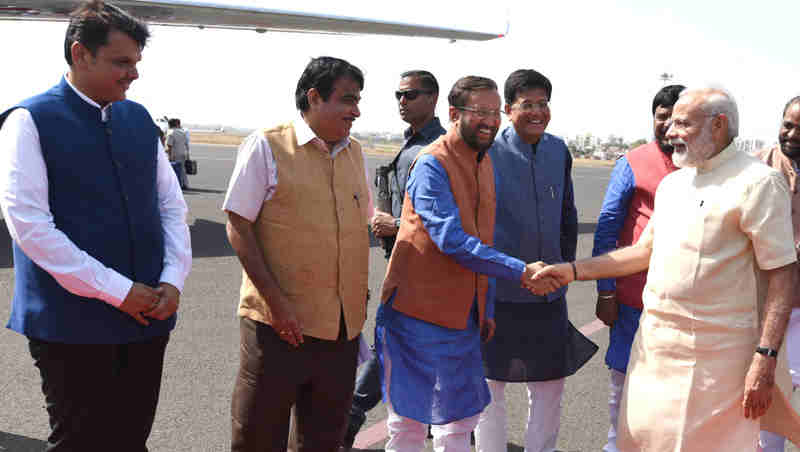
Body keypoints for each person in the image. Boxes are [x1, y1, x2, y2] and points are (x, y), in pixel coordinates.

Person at [532, 87, 799, 451]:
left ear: (718, 125)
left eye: (683, 123)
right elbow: (643, 252)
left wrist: (765, 357)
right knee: (642, 441)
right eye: (671, 122)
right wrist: (572, 270)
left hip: (718, 360)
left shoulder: (758, 183)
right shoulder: (675, 183)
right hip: (655, 349)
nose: (670, 131)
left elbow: (781, 274)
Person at [0, 1, 192, 450]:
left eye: (136, 63)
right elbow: (29, 227)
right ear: (80, 53)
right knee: (81, 442)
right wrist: (117, 290)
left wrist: (172, 279)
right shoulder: (30, 121)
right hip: (71, 324)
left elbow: (170, 206)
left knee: (129, 440)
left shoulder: (138, 119)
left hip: (146, 315)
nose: (133, 74)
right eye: (121, 62)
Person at [376, 75, 547, 452]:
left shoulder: (482, 161)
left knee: (458, 421)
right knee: (409, 422)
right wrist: (521, 270)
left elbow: (482, 238)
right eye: (479, 112)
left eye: (494, 112)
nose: (489, 121)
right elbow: (452, 240)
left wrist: (483, 306)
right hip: (416, 313)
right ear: (454, 113)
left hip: (462, 317)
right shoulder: (431, 164)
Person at [223, 56, 374, 452]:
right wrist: (277, 304)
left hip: (340, 331)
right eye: (347, 99)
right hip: (278, 328)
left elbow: (358, 227)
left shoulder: (354, 152)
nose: (356, 110)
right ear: (314, 97)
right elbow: (238, 226)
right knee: (258, 435)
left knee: (322, 439)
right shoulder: (267, 146)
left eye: (358, 100)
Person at [475, 69, 597, 452]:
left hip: (547, 294)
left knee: (548, 386)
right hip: (497, 293)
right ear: (508, 109)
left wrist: (563, 269)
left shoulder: (558, 150)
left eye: (543, 104)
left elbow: (567, 215)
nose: (537, 112)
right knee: (488, 387)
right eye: (528, 104)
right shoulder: (486, 150)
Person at [343, 70, 446, 450]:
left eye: (411, 94)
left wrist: (394, 223)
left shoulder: (438, 148)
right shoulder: (412, 144)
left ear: (433, 98)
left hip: (427, 272)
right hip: (405, 264)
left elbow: (449, 221)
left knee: (391, 346)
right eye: (398, 95)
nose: (402, 101)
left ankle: (349, 418)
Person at [590, 84, 685, 452]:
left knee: (673, 393)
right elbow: (608, 227)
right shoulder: (632, 162)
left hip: (683, 306)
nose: (670, 126)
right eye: (663, 118)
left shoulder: (703, 166)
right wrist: (607, 291)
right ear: (654, 119)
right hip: (632, 300)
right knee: (624, 386)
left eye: (679, 120)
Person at [754, 96, 800, 452]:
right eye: (788, 124)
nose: (792, 134)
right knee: (767, 395)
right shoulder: (756, 169)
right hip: (766, 307)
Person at [166, 117, 189, 189]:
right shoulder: (182, 132)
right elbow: (186, 144)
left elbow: (169, 145)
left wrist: (169, 156)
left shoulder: (170, 133)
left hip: (174, 154)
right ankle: (185, 184)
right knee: (183, 170)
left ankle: (177, 185)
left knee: (175, 170)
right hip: (183, 153)